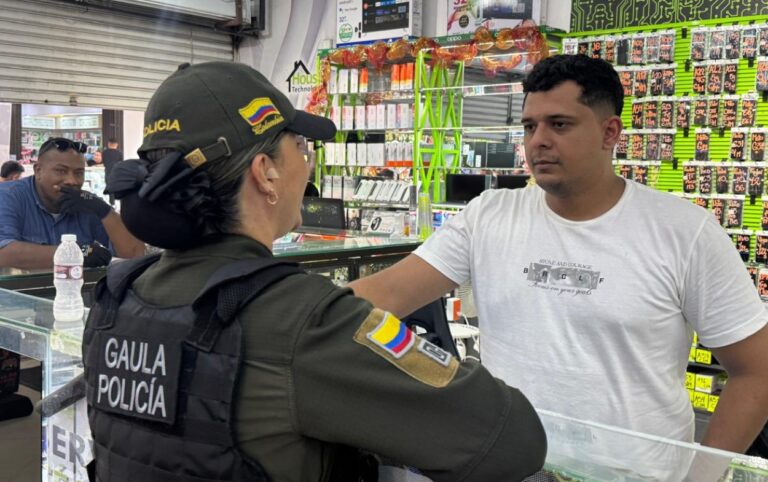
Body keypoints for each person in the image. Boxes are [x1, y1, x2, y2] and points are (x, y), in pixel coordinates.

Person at [81, 61, 546, 482]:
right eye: (299, 146)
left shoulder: (116, 297)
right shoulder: (301, 318)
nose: (307, 164)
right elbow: (511, 439)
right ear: (265, 172)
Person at [350, 55, 768, 455]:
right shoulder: (489, 215)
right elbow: (385, 292)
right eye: (530, 127)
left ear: (610, 133)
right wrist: (288, 295)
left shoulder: (684, 232)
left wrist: (702, 474)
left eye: (560, 125)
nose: (539, 141)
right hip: (509, 465)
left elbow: (757, 370)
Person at [0, 137, 146, 269]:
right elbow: (4, 254)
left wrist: (103, 209)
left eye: (79, 173)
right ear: (38, 171)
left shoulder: (86, 203)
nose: (72, 181)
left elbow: (134, 254)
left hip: (74, 295)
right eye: (61, 171)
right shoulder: (8, 196)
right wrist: (78, 253)